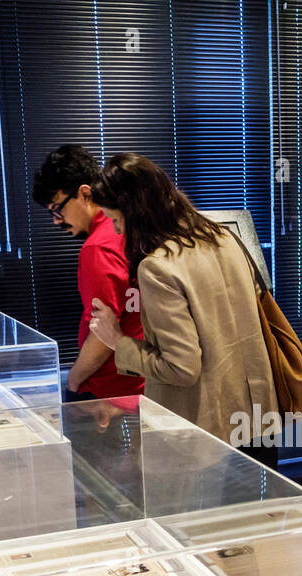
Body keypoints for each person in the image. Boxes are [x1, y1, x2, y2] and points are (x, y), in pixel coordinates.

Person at [85, 152, 281, 467]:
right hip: (256, 416)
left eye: (118, 220)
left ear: (136, 213)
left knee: (207, 516)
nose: (118, 232)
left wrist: (116, 340)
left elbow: (181, 367)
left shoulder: (158, 267)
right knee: (259, 511)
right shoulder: (223, 237)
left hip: (207, 432)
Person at [32, 144, 144, 400]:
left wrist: (73, 381)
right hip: (138, 381)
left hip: (109, 389)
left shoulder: (99, 247)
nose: (57, 221)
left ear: (84, 194)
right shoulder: (129, 229)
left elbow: (102, 332)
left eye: (57, 209)